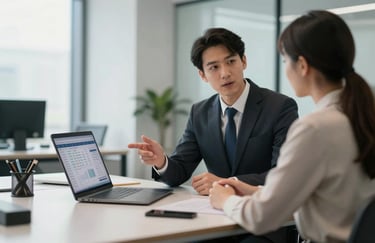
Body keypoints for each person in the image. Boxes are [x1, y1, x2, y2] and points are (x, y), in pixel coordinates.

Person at [209, 10, 375, 243]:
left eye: (285, 60)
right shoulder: (360, 115)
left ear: (303, 66)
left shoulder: (315, 128)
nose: (286, 68)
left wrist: (225, 200)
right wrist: (251, 190)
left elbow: (261, 218)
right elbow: (322, 196)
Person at [129, 27, 298, 243]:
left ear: (243, 61)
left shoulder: (280, 107)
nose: (225, 73)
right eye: (214, 67)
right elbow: (179, 172)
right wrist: (161, 161)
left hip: (263, 223)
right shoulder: (199, 112)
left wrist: (227, 183)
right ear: (203, 75)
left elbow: (281, 174)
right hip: (214, 221)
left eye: (231, 62)